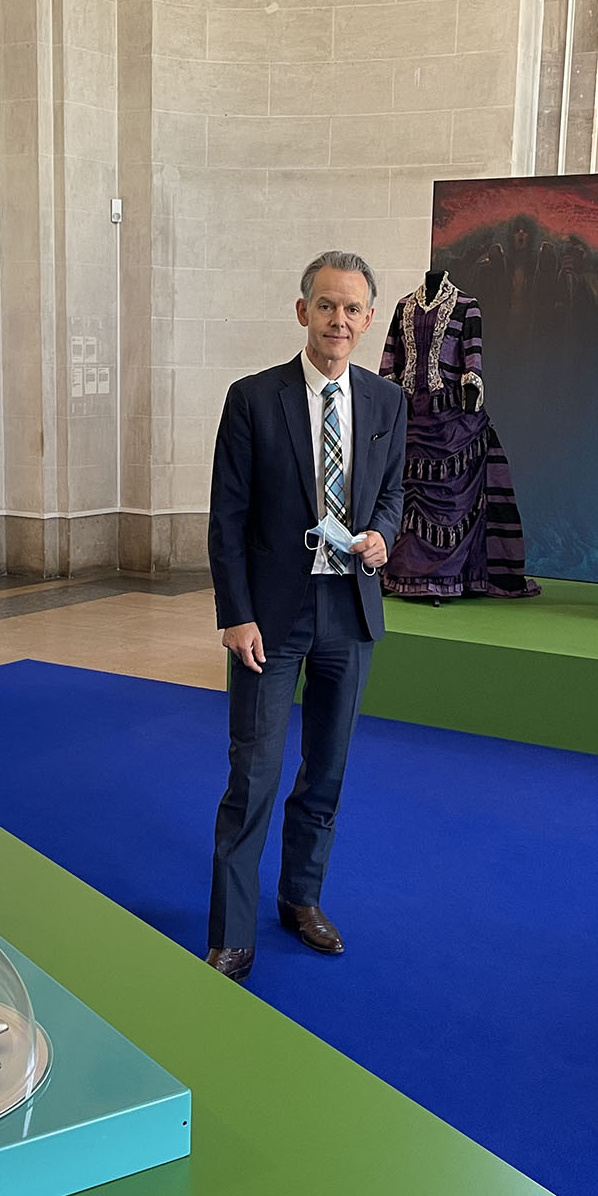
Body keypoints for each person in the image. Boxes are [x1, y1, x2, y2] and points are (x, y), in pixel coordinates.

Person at [204, 251, 407, 982]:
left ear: (369, 319)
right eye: (327, 306)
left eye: (353, 309)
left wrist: (385, 532)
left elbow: (392, 494)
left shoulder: (386, 403)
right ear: (302, 312)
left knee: (326, 772)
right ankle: (231, 933)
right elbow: (227, 518)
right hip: (271, 619)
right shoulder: (254, 399)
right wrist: (236, 614)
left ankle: (301, 899)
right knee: (253, 776)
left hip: (349, 611)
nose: (339, 321)